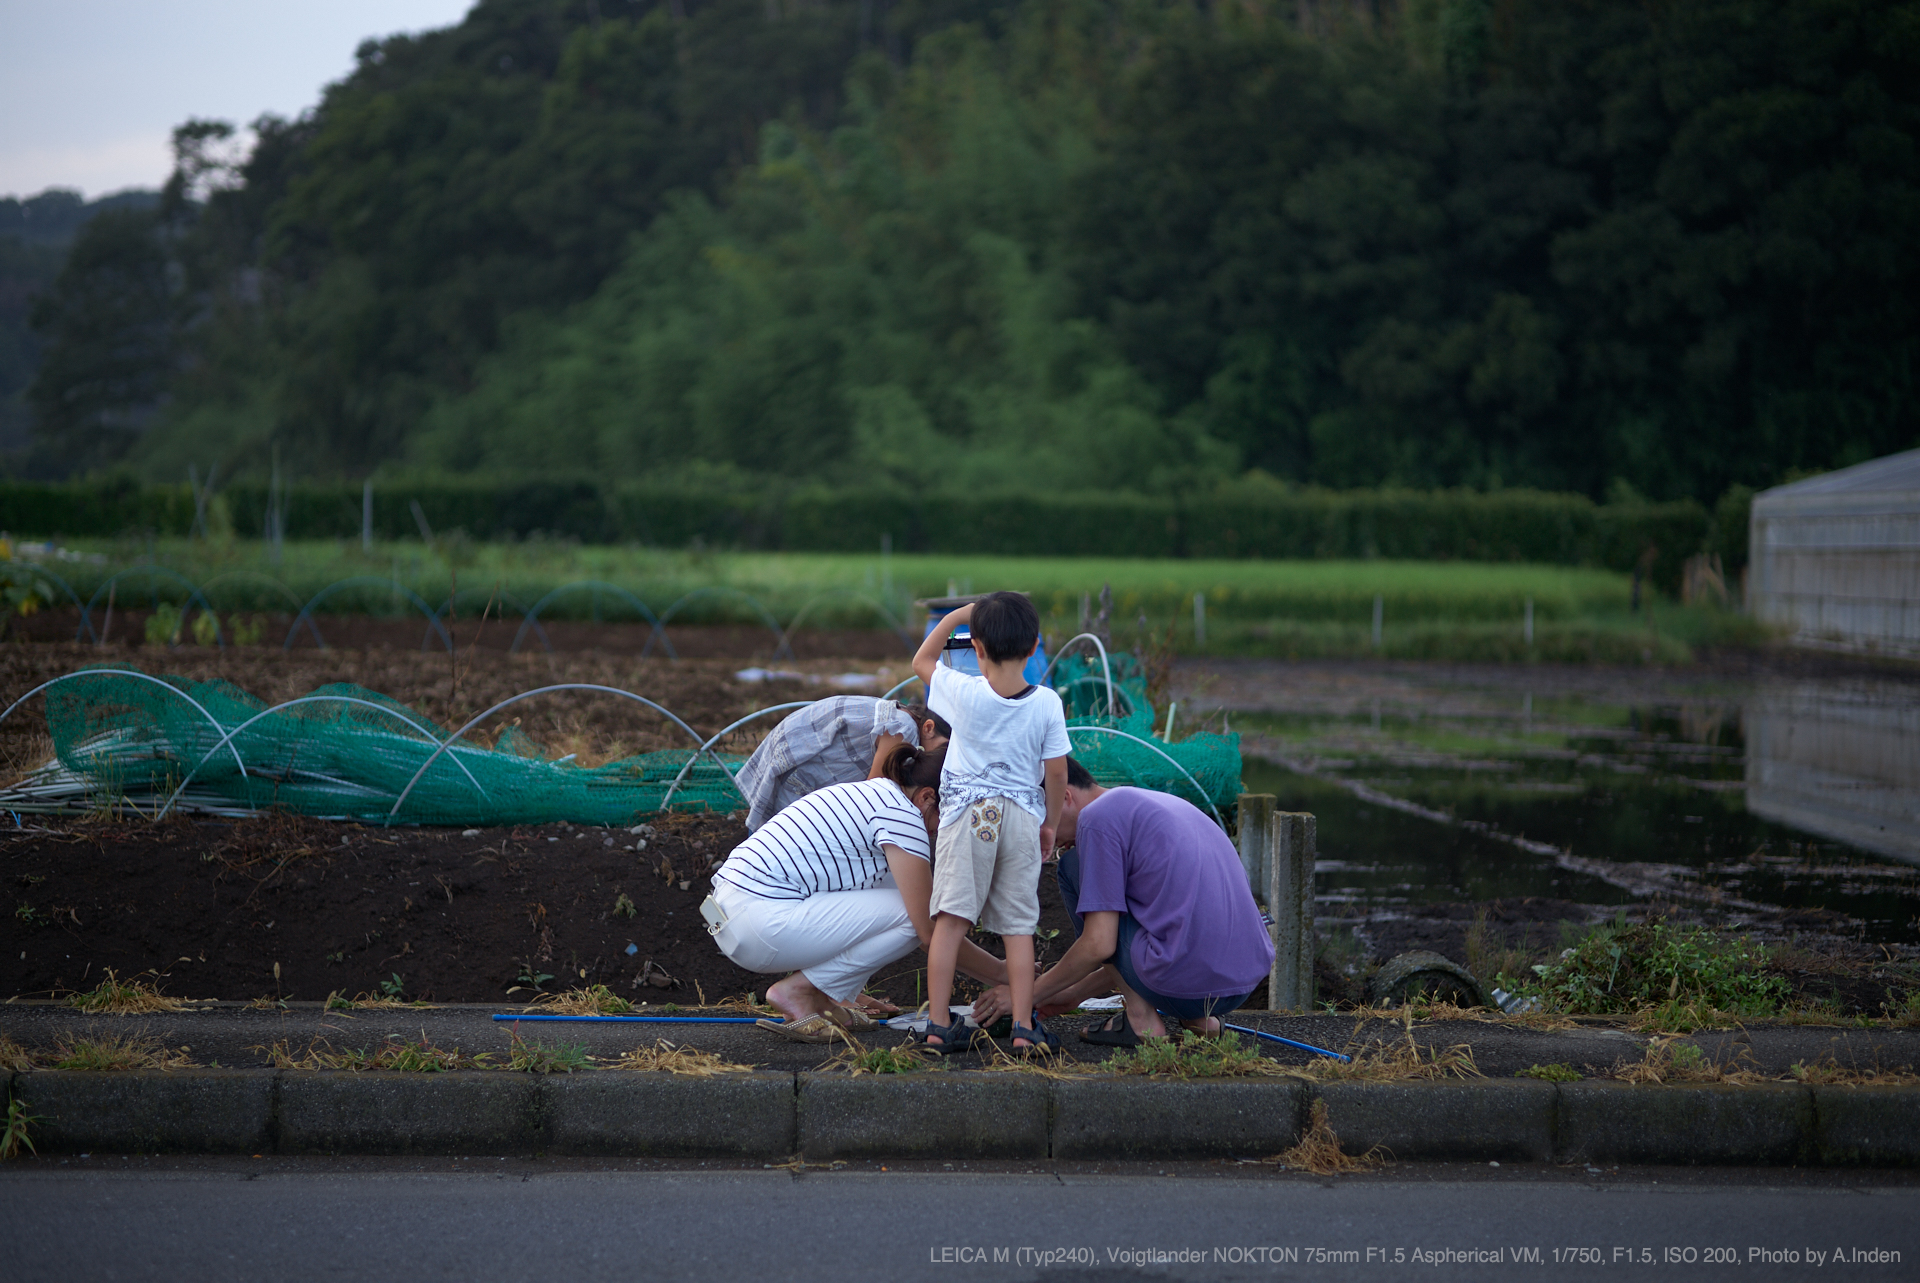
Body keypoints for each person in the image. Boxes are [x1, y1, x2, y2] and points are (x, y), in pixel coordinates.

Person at [704, 740, 1010, 1042]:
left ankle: (824, 997)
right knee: (914, 915)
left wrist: (850, 989)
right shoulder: (903, 817)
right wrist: (1003, 974)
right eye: (950, 816)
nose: (944, 830)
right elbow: (929, 929)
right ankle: (801, 991)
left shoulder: (878, 797)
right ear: (928, 796)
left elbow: (875, 916)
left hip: (731, 915)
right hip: (758, 919)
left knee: (902, 908)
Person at [971, 758, 1274, 1043]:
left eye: (1036, 821)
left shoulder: (1096, 819)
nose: (1039, 836)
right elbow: (1148, 940)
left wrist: (1027, 995)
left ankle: (1142, 1020)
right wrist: (1074, 993)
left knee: (1072, 866)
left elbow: (1100, 944)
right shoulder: (1151, 804)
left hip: (1186, 984)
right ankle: (1201, 1022)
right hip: (1240, 983)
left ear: (1063, 796)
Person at [909, 592, 1071, 1054]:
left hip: (967, 817)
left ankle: (938, 1026)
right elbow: (1057, 772)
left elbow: (922, 658)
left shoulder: (963, 691)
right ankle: (1024, 1028)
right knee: (1018, 927)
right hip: (1022, 817)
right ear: (1035, 644)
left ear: (977, 648)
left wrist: (960, 616)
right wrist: (1050, 822)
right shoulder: (1047, 703)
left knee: (951, 921)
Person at [733, 695, 950, 833]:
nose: (943, 756)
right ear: (929, 728)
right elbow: (873, 790)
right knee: (785, 830)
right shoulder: (906, 727)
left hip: (796, 742)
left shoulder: (901, 717)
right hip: (802, 760)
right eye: (943, 746)